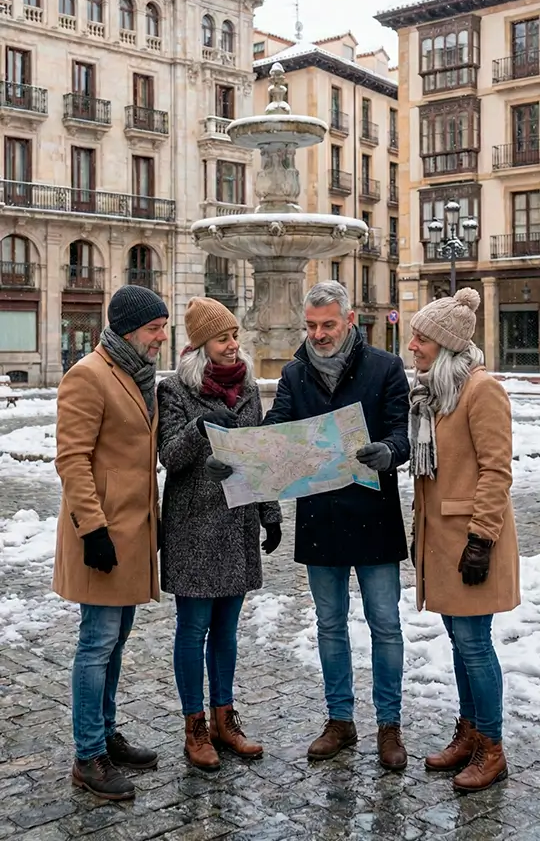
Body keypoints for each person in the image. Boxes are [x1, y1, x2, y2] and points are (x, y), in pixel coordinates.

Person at [256, 280, 411, 769]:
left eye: (328, 325)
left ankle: (390, 726)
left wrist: (389, 452)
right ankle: (340, 721)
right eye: (312, 326)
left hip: (374, 516)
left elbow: (401, 433)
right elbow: (277, 430)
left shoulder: (385, 368)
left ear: (348, 321)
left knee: (385, 625)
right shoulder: (294, 373)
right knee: (329, 625)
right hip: (320, 519)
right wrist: (242, 454)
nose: (319, 334)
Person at [53, 285, 169, 801]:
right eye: (153, 328)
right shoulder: (88, 376)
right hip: (102, 534)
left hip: (132, 533)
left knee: (115, 642)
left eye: (162, 327)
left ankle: (104, 732)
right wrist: (93, 530)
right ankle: (87, 755)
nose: (161, 337)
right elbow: (72, 459)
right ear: (127, 330)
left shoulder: (137, 375)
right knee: (96, 644)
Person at [157, 296, 282, 772]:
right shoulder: (174, 390)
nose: (233, 346)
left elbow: (260, 454)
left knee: (226, 630)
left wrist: (270, 512)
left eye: (234, 336)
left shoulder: (248, 387)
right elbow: (170, 455)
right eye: (223, 338)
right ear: (200, 344)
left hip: (237, 524)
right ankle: (194, 726)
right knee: (193, 630)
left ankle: (224, 720)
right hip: (192, 525)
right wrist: (201, 426)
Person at [408, 287, 520, 793]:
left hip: (473, 543)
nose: (412, 345)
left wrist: (481, 539)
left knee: (475, 645)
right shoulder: (436, 392)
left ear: (445, 344)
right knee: (459, 642)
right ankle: (470, 732)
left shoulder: (480, 390)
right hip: (444, 541)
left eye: (421, 338)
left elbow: (497, 471)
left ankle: (492, 748)